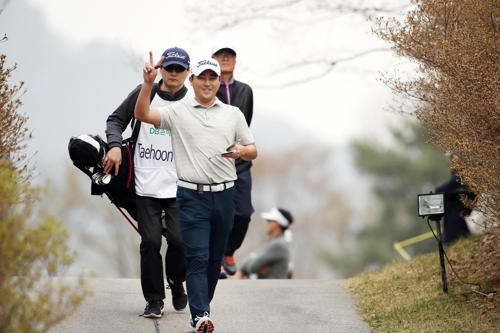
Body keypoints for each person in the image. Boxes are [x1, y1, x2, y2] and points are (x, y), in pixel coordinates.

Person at [134, 54, 258, 333]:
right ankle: (200, 315)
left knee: (214, 262)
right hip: (192, 197)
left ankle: (202, 308)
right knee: (198, 258)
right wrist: (147, 84)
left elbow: (253, 149)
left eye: (212, 77)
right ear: (192, 80)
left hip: (226, 196)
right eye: (201, 77)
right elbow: (142, 114)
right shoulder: (178, 111)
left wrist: (240, 151)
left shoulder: (233, 114)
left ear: (218, 81)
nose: (207, 82)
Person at [103, 47, 192, 318]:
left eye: (179, 69)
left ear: (188, 73)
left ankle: (177, 282)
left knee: (179, 241)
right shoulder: (147, 93)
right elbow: (116, 120)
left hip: (180, 186)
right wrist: (115, 145)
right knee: (151, 242)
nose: (173, 73)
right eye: (169, 68)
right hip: (144, 184)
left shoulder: (193, 102)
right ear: (161, 69)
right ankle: (154, 300)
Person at [211, 44, 255, 279]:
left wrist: (242, 149)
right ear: (213, 60)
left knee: (244, 213)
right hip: (215, 162)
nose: (225, 58)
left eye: (230, 56)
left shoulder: (246, 91)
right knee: (219, 213)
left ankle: (228, 252)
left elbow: (245, 124)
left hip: (241, 162)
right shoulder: (207, 88)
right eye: (220, 55)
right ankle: (216, 258)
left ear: (235, 62)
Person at [236, 207, 293, 279]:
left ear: (277, 223)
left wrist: (252, 257)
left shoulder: (278, 244)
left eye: (269, 220)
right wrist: (255, 260)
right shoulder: (275, 242)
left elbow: (252, 266)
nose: (267, 223)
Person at [435, 153, 476, 244]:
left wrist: (442, 193)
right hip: (457, 208)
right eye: (453, 155)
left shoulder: (467, 171)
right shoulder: (455, 171)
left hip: (466, 208)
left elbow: (445, 188)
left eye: (457, 154)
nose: (455, 157)